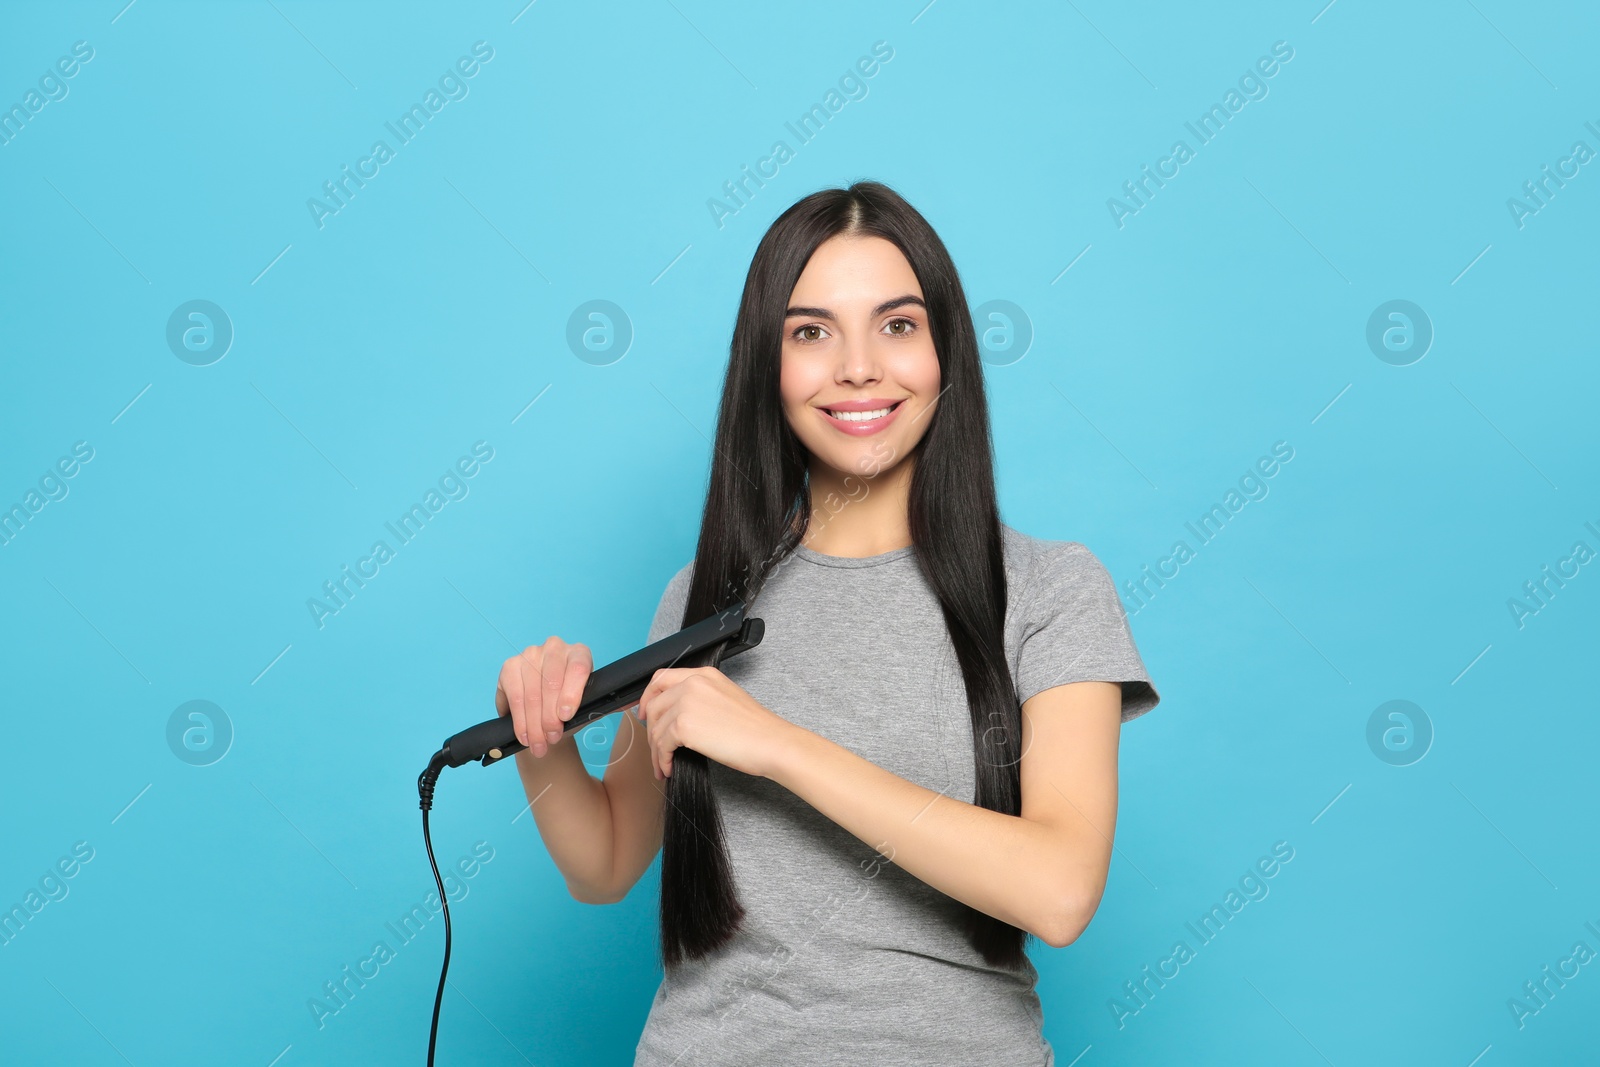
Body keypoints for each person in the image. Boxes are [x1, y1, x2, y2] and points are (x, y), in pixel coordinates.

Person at [495, 180, 1160, 1066]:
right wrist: (540, 737)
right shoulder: (702, 597)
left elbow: (1060, 889)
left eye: (897, 325)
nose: (857, 368)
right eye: (812, 331)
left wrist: (779, 745)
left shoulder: (1051, 588)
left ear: (945, 350)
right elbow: (607, 860)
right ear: (768, 365)